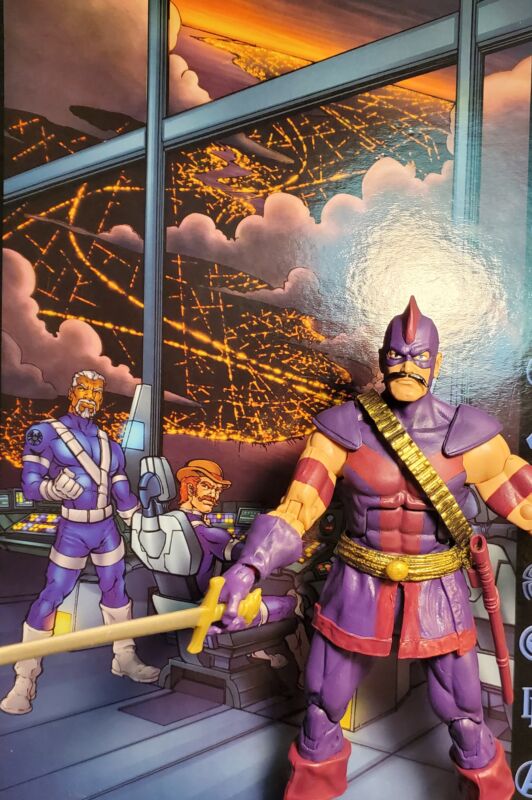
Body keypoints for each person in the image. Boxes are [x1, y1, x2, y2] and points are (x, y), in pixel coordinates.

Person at [214, 298, 532, 800]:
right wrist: (248, 568)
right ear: (383, 358)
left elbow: (523, 498)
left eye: (419, 357)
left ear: (437, 361)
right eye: (397, 356)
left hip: (437, 590)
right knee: (321, 710)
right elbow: (298, 506)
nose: (407, 367)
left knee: (467, 717)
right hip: (357, 586)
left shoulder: (470, 436)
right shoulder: (341, 431)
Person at [1, 370, 160, 715]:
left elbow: (121, 489)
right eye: (84, 388)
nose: (90, 395)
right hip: (73, 529)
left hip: (106, 528)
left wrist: (139, 520)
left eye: (96, 390)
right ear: (72, 392)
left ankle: (124, 657)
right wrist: (52, 488)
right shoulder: (46, 433)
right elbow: (30, 483)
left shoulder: (109, 444)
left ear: (101, 397)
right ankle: (25, 678)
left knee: (116, 589)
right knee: (53, 593)